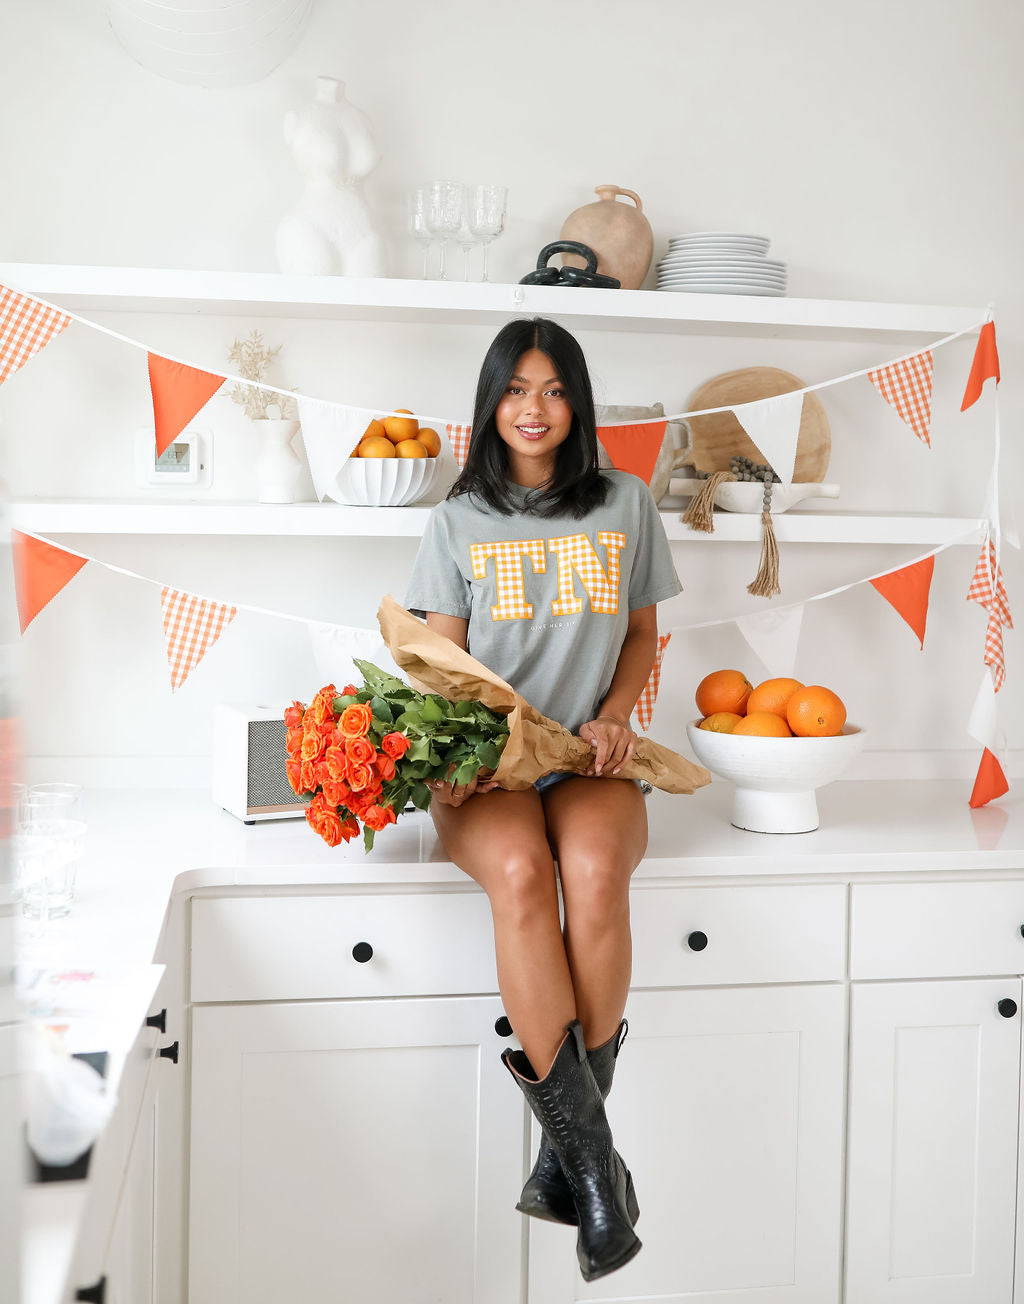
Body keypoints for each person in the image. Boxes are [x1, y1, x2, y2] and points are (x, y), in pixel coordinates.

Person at [403, 317, 681, 1283]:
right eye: (516, 389)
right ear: (490, 402)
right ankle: (598, 1175)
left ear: (577, 403)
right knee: (523, 873)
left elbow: (643, 636)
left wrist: (613, 716)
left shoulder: (625, 503)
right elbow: (438, 666)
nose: (534, 408)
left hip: (588, 756)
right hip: (489, 764)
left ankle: (573, 1169)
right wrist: (460, 757)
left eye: (554, 389)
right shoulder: (456, 521)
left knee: (595, 872)